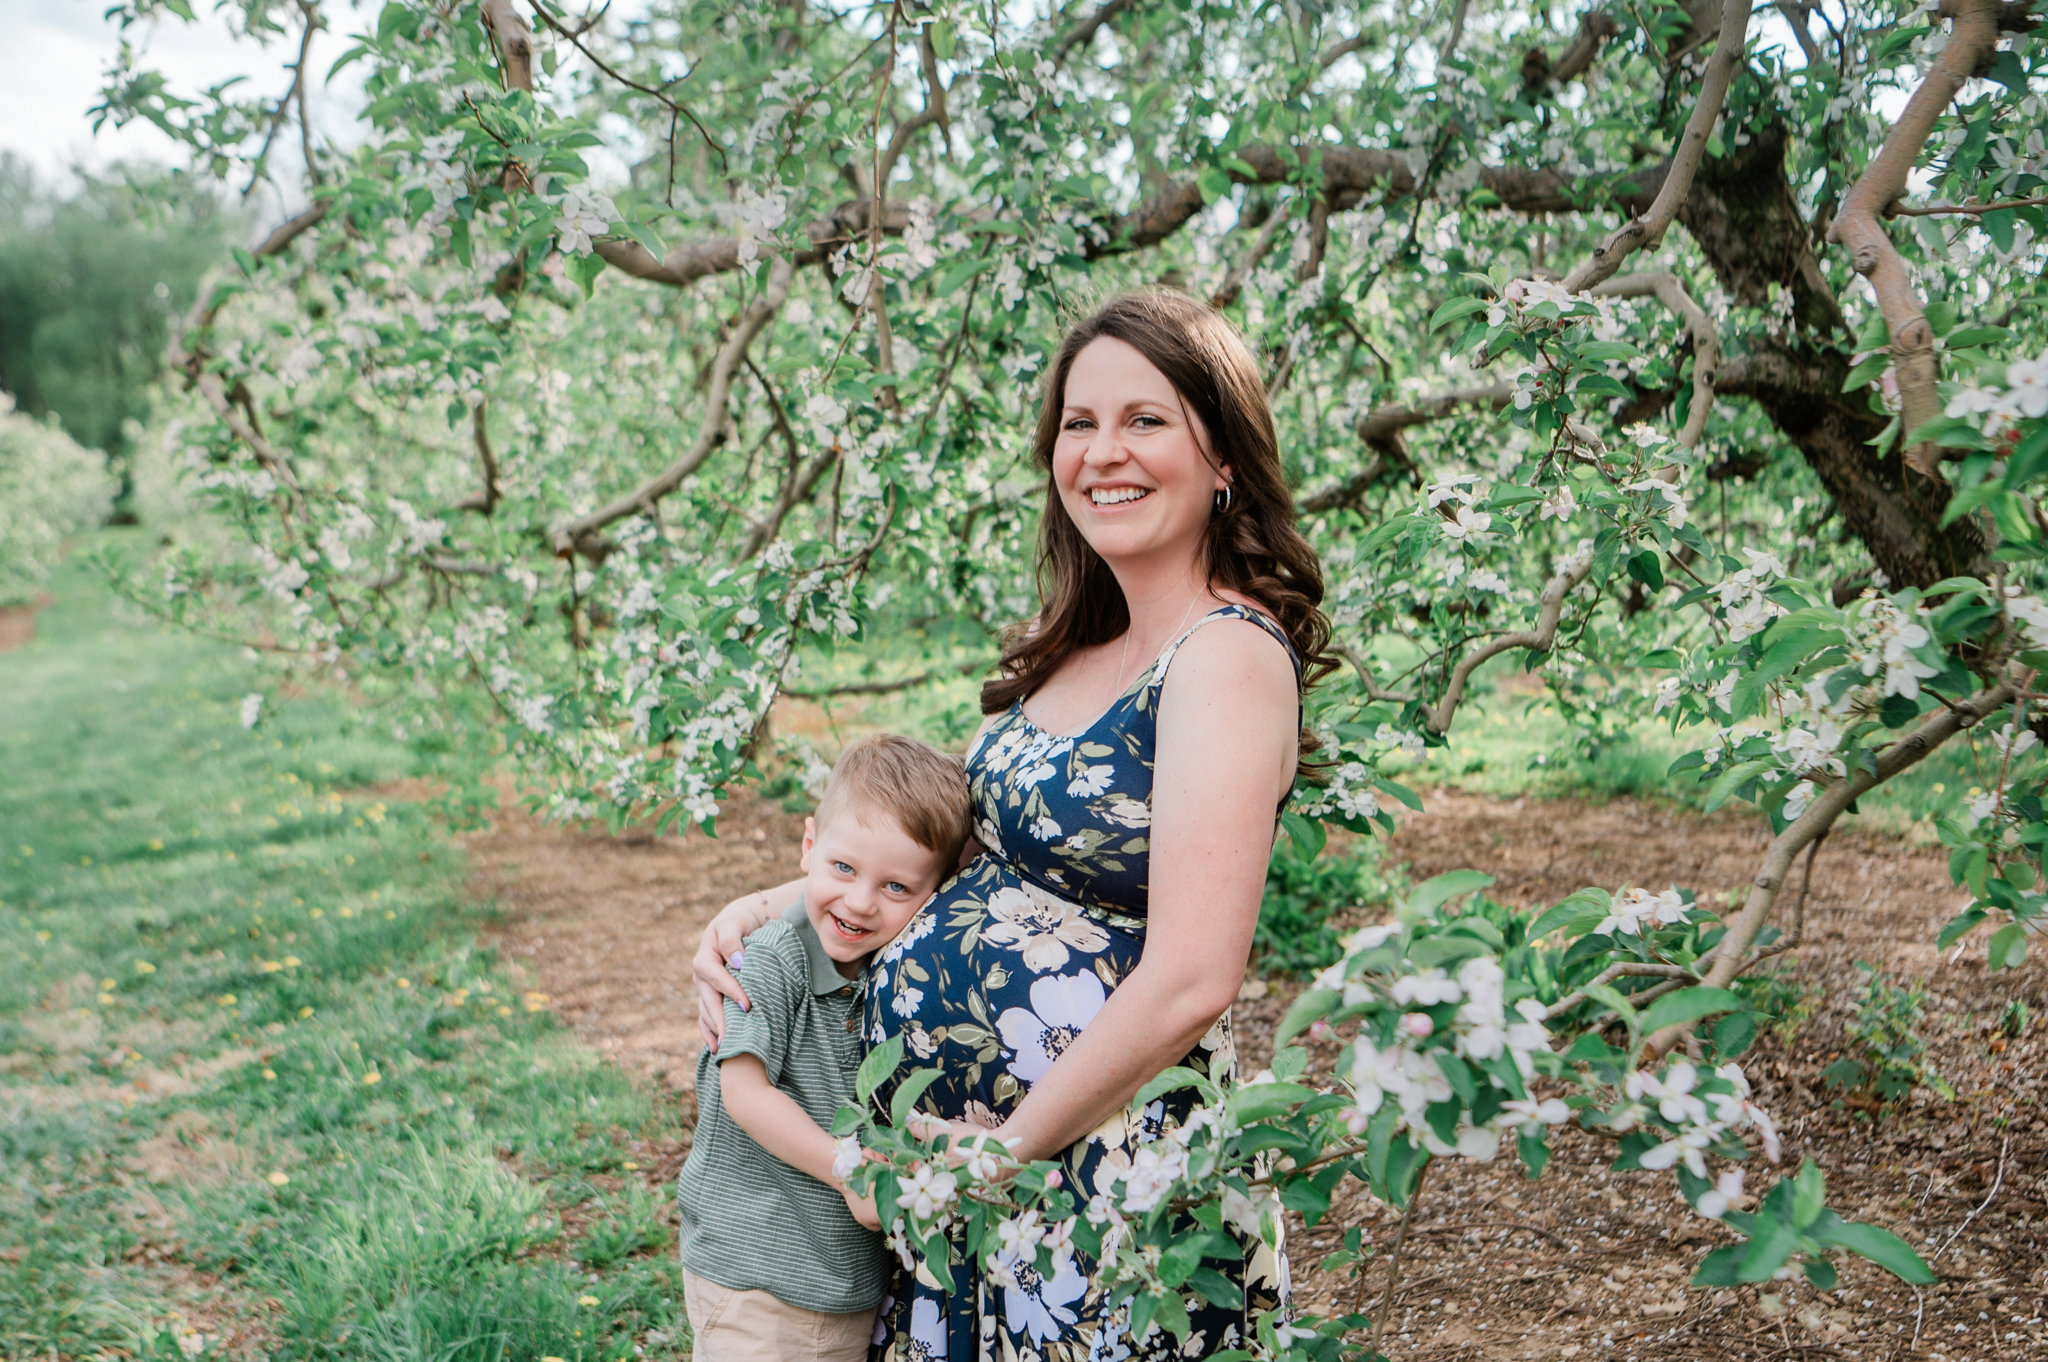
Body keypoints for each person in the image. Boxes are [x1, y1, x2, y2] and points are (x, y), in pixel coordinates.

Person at [693, 291, 1331, 1360]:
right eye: (1079, 423)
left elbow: (1193, 976)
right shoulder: (1072, 645)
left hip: (1099, 1183)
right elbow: (954, 845)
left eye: (1144, 419)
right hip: (975, 1193)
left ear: (1222, 456)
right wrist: (766, 909)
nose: (1102, 452)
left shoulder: (1224, 656)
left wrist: (1006, 1152)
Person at [675, 734, 974, 1362]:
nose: (860, 902)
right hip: (757, 1277)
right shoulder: (772, 959)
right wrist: (849, 1169)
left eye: (896, 887)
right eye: (843, 868)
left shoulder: (877, 969)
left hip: (841, 1283)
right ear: (808, 846)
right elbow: (743, 1093)